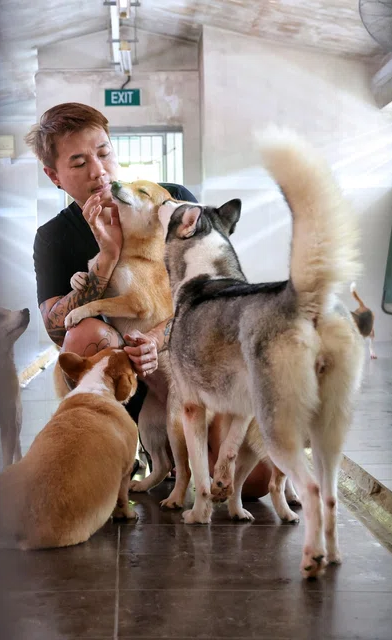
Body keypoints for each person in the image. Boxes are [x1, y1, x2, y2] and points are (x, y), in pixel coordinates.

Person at [26, 102, 272, 496]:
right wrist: (105, 259)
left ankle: (182, 451)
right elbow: (58, 328)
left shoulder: (170, 204)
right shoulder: (55, 237)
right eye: (78, 163)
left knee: (253, 483)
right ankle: (113, 449)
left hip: (189, 355)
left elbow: (219, 296)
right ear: (54, 176)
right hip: (128, 372)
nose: (99, 170)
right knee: (84, 335)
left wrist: (157, 339)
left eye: (104, 153)